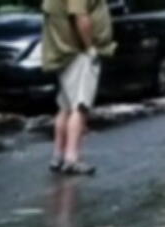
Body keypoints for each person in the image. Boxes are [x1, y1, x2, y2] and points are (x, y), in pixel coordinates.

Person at [42, 0, 115, 176]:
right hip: (78, 53)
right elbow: (80, 15)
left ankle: (58, 155)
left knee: (65, 107)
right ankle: (72, 158)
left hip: (63, 52)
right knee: (80, 106)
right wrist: (90, 48)